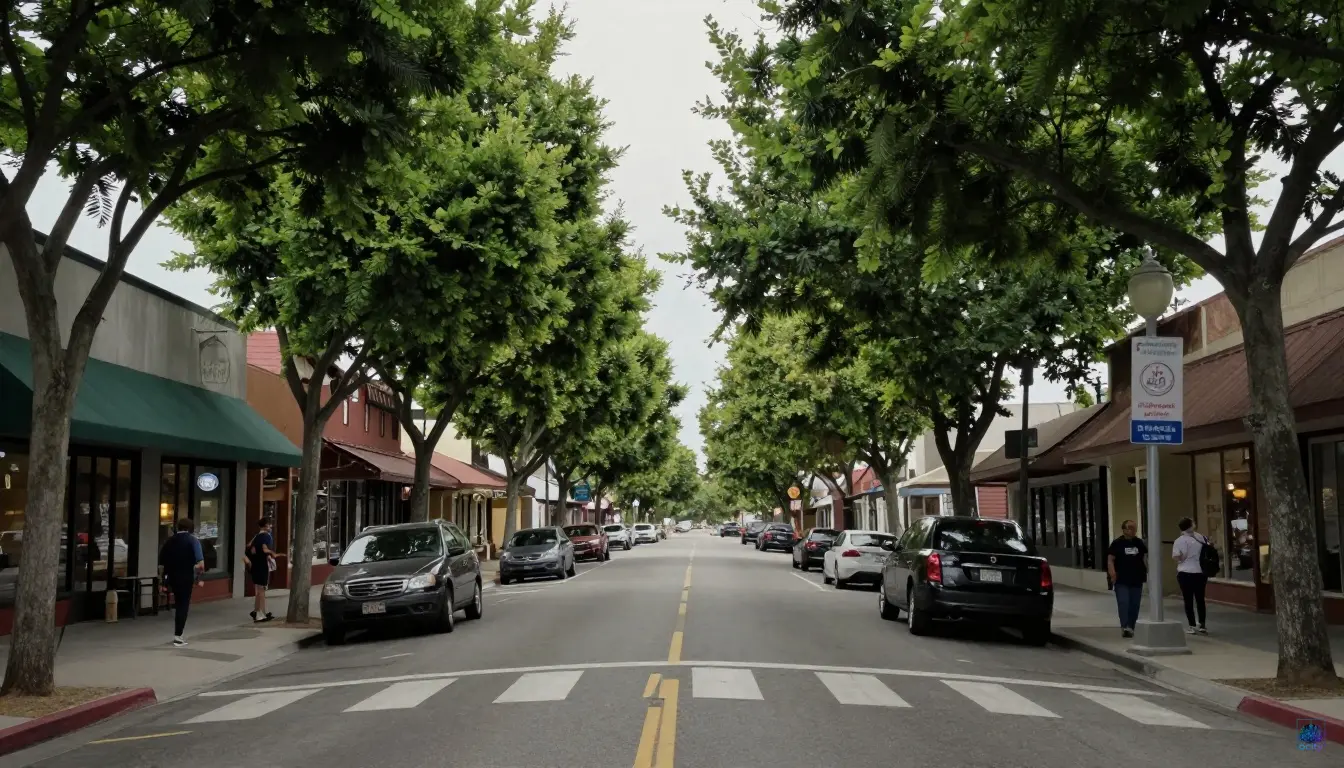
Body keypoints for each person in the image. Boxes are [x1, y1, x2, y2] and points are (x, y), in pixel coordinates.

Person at [159, 517, 204, 647]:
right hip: (186, 576)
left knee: (178, 603)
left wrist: (163, 582)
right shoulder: (193, 541)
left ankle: (178, 633)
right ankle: (178, 635)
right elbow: (200, 563)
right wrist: (199, 578)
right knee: (183, 605)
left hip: (171, 576)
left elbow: (162, 563)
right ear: (190, 528)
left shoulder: (169, 541)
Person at [1106, 519, 1147, 638]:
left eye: (1135, 528)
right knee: (1124, 602)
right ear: (1124, 530)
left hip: (1137, 578)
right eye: (1131, 528)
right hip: (1122, 579)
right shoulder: (1117, 543)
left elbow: (1144, 558)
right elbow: (1110, 560)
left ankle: (1131, 626)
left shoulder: (1139, 543)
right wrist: (1112, 574)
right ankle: (1124, 626)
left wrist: (1147, 571)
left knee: (1135, 604)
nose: (1134, 530)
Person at [1172, 517, 1209, 635]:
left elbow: (1177, 556)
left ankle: (1192, 625)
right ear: (1191, 525)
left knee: (1188, 600)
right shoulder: (1201, 537)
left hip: (1185, 572)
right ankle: (1202, 624)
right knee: (1200, 599)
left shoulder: (1180, 540)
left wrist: (1182, 559)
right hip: (1200, 572)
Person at [243, 518, 276, 622]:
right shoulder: (266, 537)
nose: (271, 527)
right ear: (265, 526)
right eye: (269, 525)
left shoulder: (256, 536)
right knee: (261, 591)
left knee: (259, 590)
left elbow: (248, 548)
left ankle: (257, 611)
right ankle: (261, 615)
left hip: (255, 566)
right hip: (262, 566)